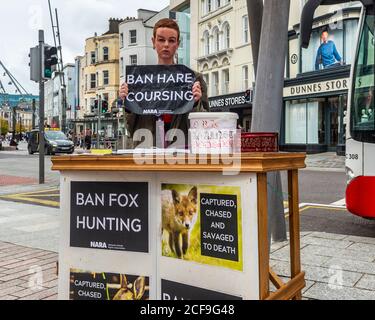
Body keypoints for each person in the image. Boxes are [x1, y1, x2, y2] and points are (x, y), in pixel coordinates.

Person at [119, 18, 209, 148]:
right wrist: (128, 105)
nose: (166, 44)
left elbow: (205, 126)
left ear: (178, 44)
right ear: (153, 42)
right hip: (147, 154)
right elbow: (131, 129)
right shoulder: (139, 79)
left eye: (171, 40)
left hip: (180, 153)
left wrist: (195, 103)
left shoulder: (194, 78)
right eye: (161, 39)